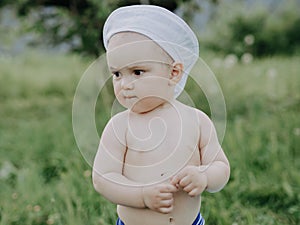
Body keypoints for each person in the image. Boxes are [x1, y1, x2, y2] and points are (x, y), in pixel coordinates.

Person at [92, 5, 230, 225]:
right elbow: (103, 179)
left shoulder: (197, 121)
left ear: (174, 73)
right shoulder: (120, 127)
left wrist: (204, 176)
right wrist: (142, 195)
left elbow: (221, 168)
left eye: (137, 72)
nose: (125, 84)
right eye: (117, 74)